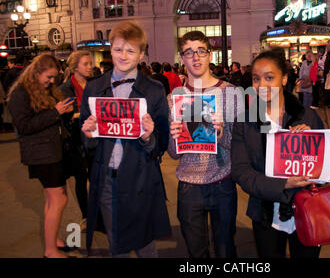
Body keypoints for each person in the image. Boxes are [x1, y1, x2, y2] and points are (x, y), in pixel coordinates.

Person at [80, 21, 171, 257]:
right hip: (106, 178)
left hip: (141, 178)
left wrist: (149, 137)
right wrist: (88, 135)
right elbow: (86, 144)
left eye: (130, 51)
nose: (123, 55)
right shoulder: (93, 88)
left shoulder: (154, 90)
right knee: (116, 242)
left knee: (144, 244)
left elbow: (161, 143)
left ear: (141, 54)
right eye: (118, 49)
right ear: (110, 50)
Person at [231, 49, 324, 258]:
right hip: (265, 215)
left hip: (307, 212)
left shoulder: (307, 116)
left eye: (269, 77)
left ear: (284, 78)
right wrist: (283, 185)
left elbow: (325, 172)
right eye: (256, 79)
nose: (261, 85)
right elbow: (241, 172)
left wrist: (316, 147)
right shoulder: (245, 121)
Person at [168, 30, 242, 258]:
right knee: (196, 252)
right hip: (188, 185)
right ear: (182, 58)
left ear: (210, 55)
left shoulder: (230, 93)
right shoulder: (175, 97)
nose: (196, 57)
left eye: (201, 51)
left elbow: (238, 145)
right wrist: (174, 136)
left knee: (225, 249)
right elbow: (173, 154)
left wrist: (221, 132)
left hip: (222, 183)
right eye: (189, 52)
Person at [7, 54, 75, 258]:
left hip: (54, 150)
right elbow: (24, 126)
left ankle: (53, 240)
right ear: (37, 72)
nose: (52, 81)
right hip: (41, 154)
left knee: (52, 199)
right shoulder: (20, 93)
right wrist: (55, 112)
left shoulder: (46, 89)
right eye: (50, 76)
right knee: (59, 199)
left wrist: (65, 111)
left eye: (55, 77)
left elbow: (54, 119)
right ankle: (50, 250)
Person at [59, 50, 94, 230]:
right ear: (75, 67)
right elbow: (62, 119)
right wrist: (76, 115)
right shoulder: (64, 89)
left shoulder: (93, 85)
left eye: (90, 63)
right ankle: (86, 216)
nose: (90, 67)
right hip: (75, 141)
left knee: (95, 177)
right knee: (81, 179)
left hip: (94, 139)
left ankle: (97, 214)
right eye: (86, 64)